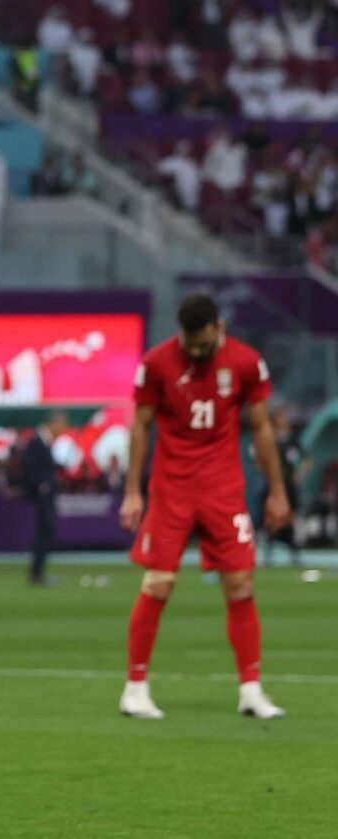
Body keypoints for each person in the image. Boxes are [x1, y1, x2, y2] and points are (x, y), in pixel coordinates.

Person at [118, 293, 291, 721]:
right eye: (189, 344)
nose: (195, 353)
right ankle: (135, 689)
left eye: (203, 344)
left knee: (241, 584)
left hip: (223, 488)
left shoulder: (247, 362)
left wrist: (277, 490)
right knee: (158, 584)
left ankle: (251, 690)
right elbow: (141, 425)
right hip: (172, 488)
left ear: (219, 328)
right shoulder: (157, 363)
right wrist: (133, 491)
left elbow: (261, 427)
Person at [22, 412, 67, 586]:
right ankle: (36, 573)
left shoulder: (45, 442)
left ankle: (38, 573)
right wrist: (42, 485)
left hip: (47, 494)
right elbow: (29, 467)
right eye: (61, 426)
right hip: (43, 496)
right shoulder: (36, 442)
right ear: (53, 424)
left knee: (47, 533)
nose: (62, 430)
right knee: (45, 532)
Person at [260, 405, 306, 568]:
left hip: (290, 488)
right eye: (281, 416)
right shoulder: (270, 439)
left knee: (291, 519)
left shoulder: (293, 440)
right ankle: (269, 551)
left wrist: (298, 476)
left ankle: (295, 553)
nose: (284, 420)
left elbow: (307, 459)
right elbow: (259, 461)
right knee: (272, 519)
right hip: (273, 486)